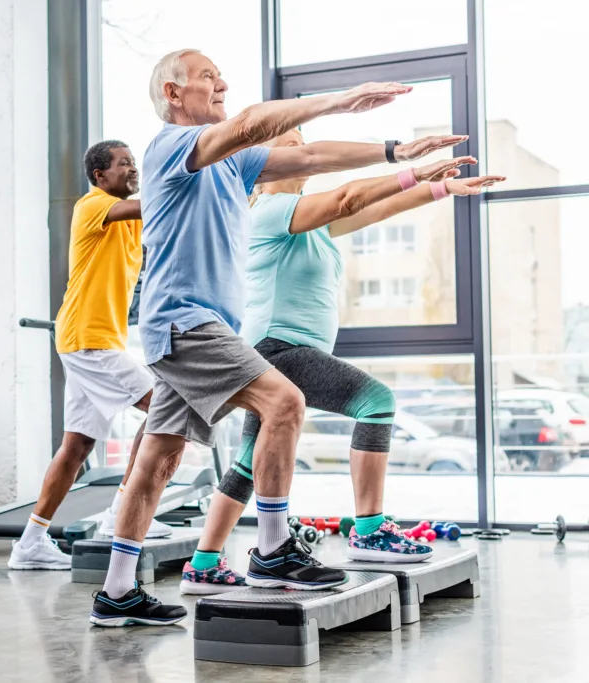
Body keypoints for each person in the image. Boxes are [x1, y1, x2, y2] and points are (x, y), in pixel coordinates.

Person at [89, 48, 467, 627]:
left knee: (160, 459)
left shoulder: (233, 168)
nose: (222, 83)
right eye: (208, 77)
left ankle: (117, 592)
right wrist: (341, 99)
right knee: (284, 402)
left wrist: (397, 152)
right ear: (172, 93)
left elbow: (311, 155)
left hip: (193, 327)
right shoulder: (168, 146)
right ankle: (271, 549)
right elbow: (248, 124)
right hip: (185, 322)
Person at [179, 129, 505, 594]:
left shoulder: (307, 221)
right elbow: (350, 197)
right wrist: (411, 169)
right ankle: (369, 530)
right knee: (376, 402)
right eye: (289, 145)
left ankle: (203, 563)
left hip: (280, 348)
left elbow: (378, 207)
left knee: (252, 462)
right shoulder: (269, 210)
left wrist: (442, 188)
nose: (300, 150)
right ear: (264, 166)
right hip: (279, 347)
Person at [9, 140, 174, 572]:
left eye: (135, 163)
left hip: (95, 339)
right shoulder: (92, 205)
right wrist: (173, 175)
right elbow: (148, 203)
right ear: (100, 175)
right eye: (124, 165)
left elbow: (164, 220)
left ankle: (30, 542)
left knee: (77, 446)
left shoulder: (132, 222)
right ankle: (121, 513)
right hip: (89, 337)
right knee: (166, 412)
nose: (133, 169)